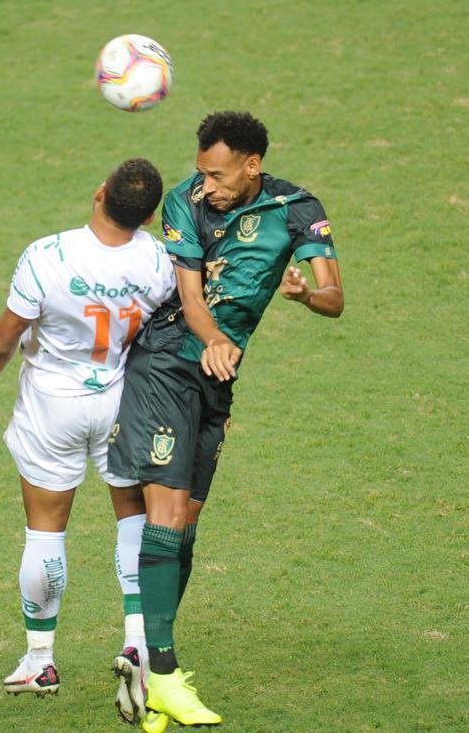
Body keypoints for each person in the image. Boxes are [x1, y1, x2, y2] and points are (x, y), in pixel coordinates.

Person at [107, 112, 344, 729]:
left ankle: (152, 667)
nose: (205, 184)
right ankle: (162, 673)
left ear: (251, 165)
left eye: (216, 174)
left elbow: (335, 299)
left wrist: (303, 296)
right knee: (164, 512)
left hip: (215, 380)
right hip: (165, 363)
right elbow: (189, 300)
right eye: (202, 172)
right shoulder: (185, 202)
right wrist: (212, 340)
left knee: (184, 523)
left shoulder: (297, 209)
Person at [0, 158, 176, 722]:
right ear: (148, 216)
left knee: (45, 529)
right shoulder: (158, 260)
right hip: (121, 401)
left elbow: (2, 340)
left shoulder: (46, 256)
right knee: (132, 522)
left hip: (52, 406)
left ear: (100, 194)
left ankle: (40, 658)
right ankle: (138, 644)